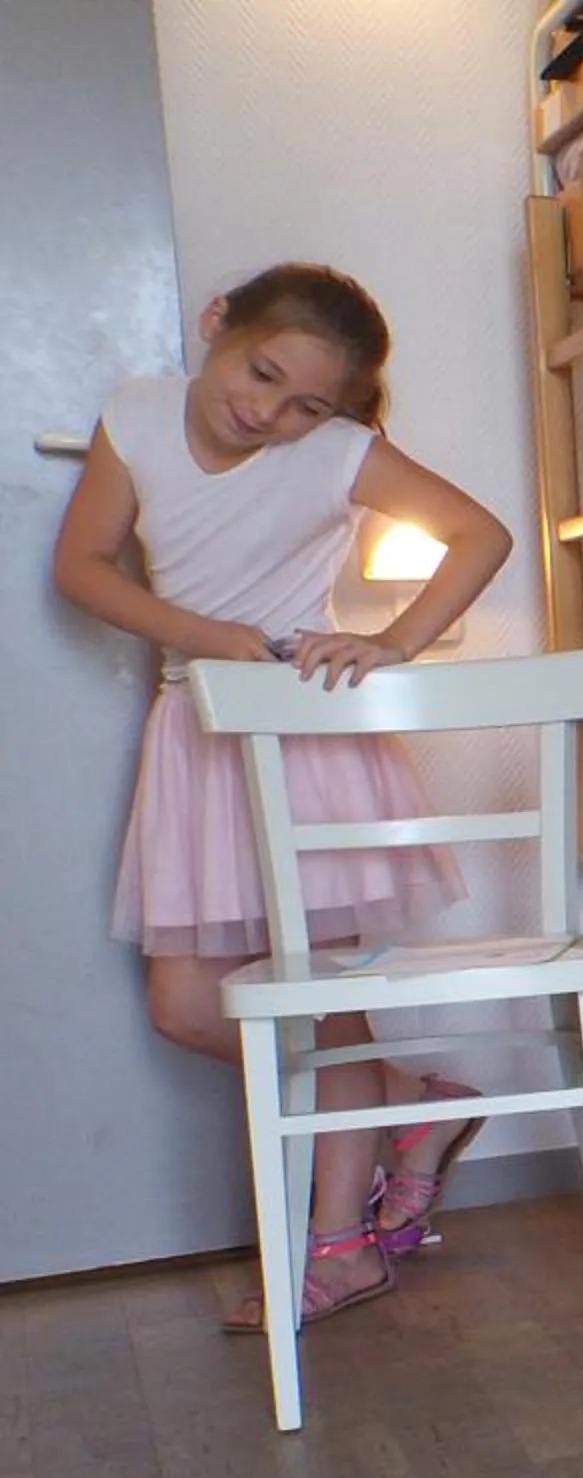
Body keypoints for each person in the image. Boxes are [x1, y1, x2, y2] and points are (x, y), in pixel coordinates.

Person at [51, 262, 513, 1327]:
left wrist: (391, 638)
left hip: (304, 746)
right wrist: (207, 638)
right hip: (197, 734)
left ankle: (342, 1249)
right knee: (185, 1005)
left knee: (315, 1005)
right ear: (217, 326)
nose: (269, 412)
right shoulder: (137, 413)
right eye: (260, 374)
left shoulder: (336, 452)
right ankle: (408, 1102)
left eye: (305, 402)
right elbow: (82, 564)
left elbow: (479, 532)